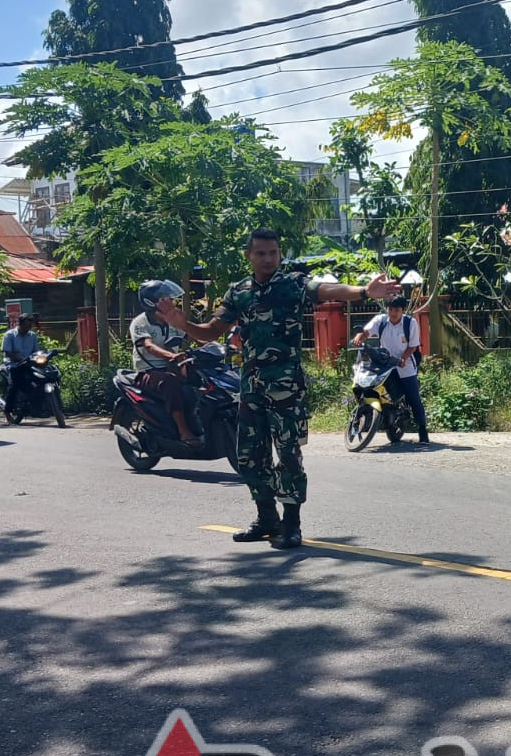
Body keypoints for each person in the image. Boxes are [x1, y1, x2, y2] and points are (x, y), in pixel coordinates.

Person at [158, 229, 396, 550]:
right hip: (251, 389)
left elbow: (326, 290)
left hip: (286, 388)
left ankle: (291, 524)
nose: (268, 259)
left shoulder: (292, 284)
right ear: (249, 256)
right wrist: (182, 324)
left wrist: (364, 292)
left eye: (273, 253)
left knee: (288, 455)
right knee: (249, 456)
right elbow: (210, 332)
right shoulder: (239, 292)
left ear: (279, 254)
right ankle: (266, 518)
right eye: (261, 253)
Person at [131, 280, 202, 448]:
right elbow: (148, 346)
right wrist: (171, 355)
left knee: (201, 379)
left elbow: (195, 336)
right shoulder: (141, 322)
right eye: (165, 298)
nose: (171, 301)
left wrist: (217, 347)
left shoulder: (173, 321)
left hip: (176, 367)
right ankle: (183, 430)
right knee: (171, 382)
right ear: (152, 302)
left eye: (170, 298)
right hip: (149, 372)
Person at [350, 295, 429, 445]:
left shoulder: (409, 323)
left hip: (405, 366)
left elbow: (413, 345)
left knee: (413, 398)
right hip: (384, 363)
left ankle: (422, 430)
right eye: (390, 309)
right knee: (372, 386)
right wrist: (359, 336)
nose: (393, 313)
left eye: (397, 310)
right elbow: (366, 332)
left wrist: (404, 359)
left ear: (403, 310)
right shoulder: (381, 321)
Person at [1, 314, 41, 417]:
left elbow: (36, 351)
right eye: (26, 326)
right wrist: (20, 359)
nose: (28, 329)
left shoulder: (32, 336)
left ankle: (40, 408)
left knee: (40, 380)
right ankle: (7, 412)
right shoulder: (9, 335)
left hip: (29, 365)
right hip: (14, 365)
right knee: (14, 386)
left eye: (30, 326)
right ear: (20, 324)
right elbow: (7, 353)